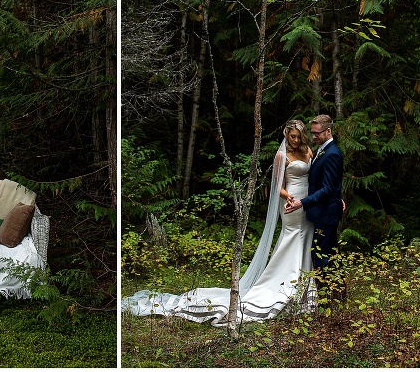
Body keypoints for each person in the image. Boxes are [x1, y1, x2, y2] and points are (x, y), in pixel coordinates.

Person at [123, 119, 317, 325]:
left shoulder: (308, 152)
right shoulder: (281, 155)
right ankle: (286, 283)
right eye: (291, 136)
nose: (295, 140)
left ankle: (307, 285)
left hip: (308, 201)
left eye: (298, 136)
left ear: (303, 135)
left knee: (307, 238)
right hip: (290, 203)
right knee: (292, 238)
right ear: (287, 135)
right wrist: (289, 198)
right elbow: (277, 185)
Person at [285, 114, 344, 298]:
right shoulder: (322, 150)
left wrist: (302, 203)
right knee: (330, 256)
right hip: (323, 211)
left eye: (317, 134)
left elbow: (326, 188)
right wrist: (337, 196)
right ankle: (336, 298)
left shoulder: (332, 153)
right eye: (313, 133)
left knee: (323, 259)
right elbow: (329, 182)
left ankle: (327, 300)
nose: (314, 137)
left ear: (328, 131)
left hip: (325, 214)